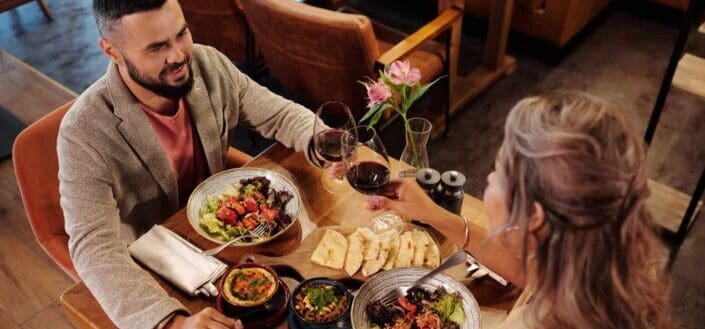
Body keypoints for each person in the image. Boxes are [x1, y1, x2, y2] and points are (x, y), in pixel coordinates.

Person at [58, 0, 322, 328]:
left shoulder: (207, 63)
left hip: (229, 245)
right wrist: (171, 323)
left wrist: (323, 140)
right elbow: (92, 244)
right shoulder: (82, 131)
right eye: (157, 47)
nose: (179, 55)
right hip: (156, 270)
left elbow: (278, 114)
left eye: (181, 33)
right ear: (111, 51)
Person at [367, 92, 671, 329]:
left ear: (534, 217)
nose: (489, 177)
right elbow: (530, 274)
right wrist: (432, 213)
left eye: (499, 171)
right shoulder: (593, 265)